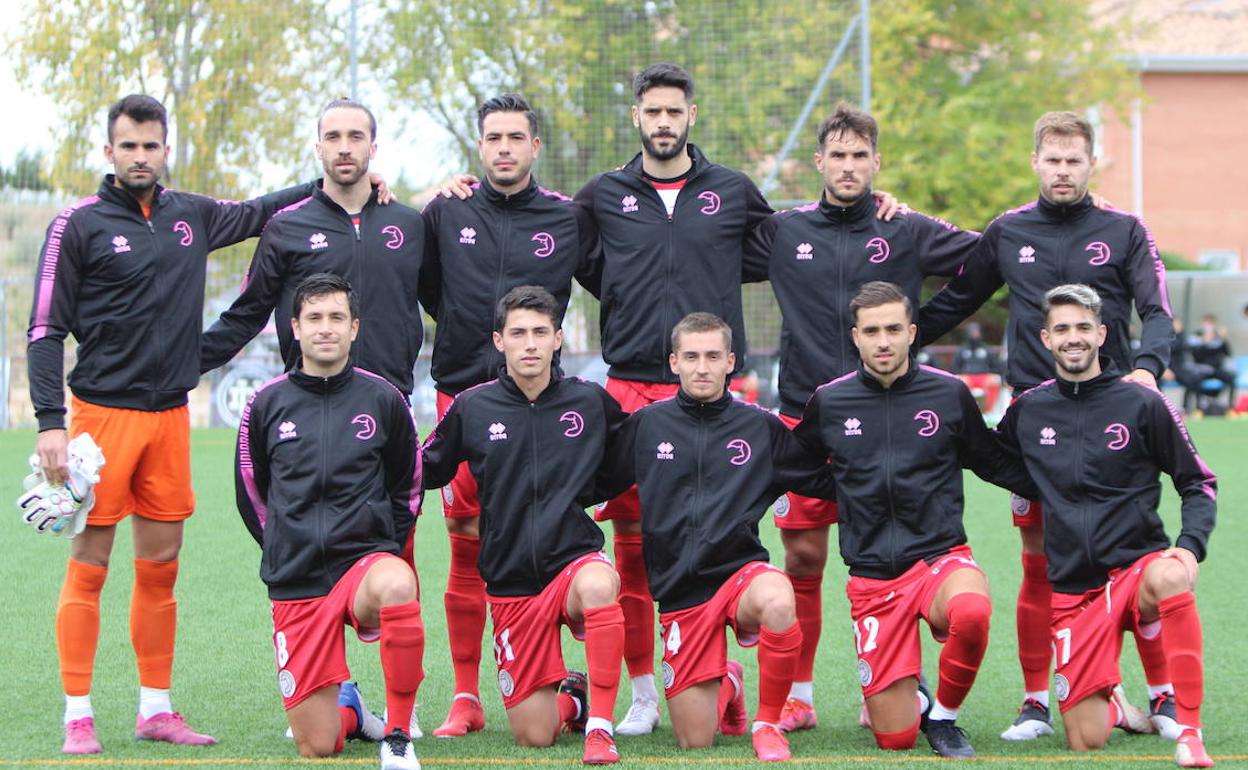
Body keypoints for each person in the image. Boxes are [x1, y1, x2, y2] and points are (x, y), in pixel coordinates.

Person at [27, 94, 320, 755]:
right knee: (90, 567)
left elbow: (258, 212)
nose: (140, 156)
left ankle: (155, 709)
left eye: (150, 145)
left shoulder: (191, 214)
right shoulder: (76, 225)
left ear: (166, 149)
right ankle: (78, 713)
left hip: (169, 420)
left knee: (161, 568)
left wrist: (330, 180)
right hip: (98, 421)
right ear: (108, 152)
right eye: (127, 145)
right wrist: (50, 423)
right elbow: (45, 329)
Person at [918, 111, 1175, 740]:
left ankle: (1164, 695)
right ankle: (1036, 700)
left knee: (1134, 556)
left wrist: (1147, 369)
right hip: (1035, 425)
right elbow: (956, 299)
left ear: (1091, 165)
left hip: (1115, 417)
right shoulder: (1009, 233)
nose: (1063, 171)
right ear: (1036, 163)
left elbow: (1156, 310)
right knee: (1037, 559)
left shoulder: (1124, 229)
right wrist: (892, 347)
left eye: (1074, 161)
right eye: (1053, 160)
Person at [743, 104, 977, 731]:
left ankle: (906, 677)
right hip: (805, 418)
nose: (848, 167)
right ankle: (799, 694)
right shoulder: (782, 231)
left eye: (860, 156)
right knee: (802, 563)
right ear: (818, 162)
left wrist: (924, 330)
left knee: (902, 554)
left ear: (876, 162)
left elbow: (986, 262)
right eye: (837, 156)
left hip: (891, 421)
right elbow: (705, 254)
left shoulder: (904, 227)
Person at [417, 94, 600, 738]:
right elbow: (420, 278)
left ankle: (581, 683)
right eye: (492, 137)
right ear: (480, 144)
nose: (503, 148)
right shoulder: (447, 210)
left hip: (544, 406)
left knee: (552, 531)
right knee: (466, 541)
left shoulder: (567, 218)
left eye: (515, 137)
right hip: (464, 395)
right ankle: (466, 694)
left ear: (534, 147)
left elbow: (618, 279)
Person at [793, 281, 1040, 758]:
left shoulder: (949, 394)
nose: (882, 341)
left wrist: (1062, 487)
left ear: (911, 332)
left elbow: (990, 460)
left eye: (892, 329)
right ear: (856, 337)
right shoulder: (830, 401)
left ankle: (945, 719)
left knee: (972, 611)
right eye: (871, 331)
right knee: (895, 738)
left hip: (938, 558)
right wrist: (849, 491)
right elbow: (793, 466)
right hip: (872, 575)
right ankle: (916, 694)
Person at [599, 312, 838, 762]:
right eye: (691, 356)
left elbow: (821, 481)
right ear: (674, 362)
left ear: (731, 361)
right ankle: (728, 681)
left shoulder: (760, 427)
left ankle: (768, 724)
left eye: (712, 356)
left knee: (779, 597)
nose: (702, 367)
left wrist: (888, 484)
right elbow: (596, 481)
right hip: (679, 592)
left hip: (739, 576)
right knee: (695, 738)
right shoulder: (647, 426)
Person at [996, 284, 1216, 768]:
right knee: (1085, 740)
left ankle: (1190, 730)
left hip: (1137, 570)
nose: (1072, 338)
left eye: (1081, 327)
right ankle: (1113, 701)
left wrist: (1188, 547)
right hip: (1075, 587)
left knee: (1171, 575)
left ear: (1101, 333)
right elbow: (988, 457)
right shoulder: (1029, 409)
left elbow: (1197, 483)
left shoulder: (1143, 403)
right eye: (1061, 329)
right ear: (1045, 339)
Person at [421, 286, 628, 765]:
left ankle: (599, 725)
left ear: (558, 339)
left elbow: (628, 459)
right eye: (518, 333)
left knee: (599, 585)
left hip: (572, 561)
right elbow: (426, 468)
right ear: (499, 341)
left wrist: (584, 493)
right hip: (511, 579)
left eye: (540, 332)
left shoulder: (589, 402)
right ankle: (574, 698)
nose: (530, 343)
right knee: (535, 734)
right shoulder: (473, 408)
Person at [235, 273, 424, 770]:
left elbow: (408, 487)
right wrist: (283, 541)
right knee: (318, 745)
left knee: (398, 583)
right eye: (314, 318)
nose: (326, 328)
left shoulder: (383, 399)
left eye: (336, 317)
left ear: (354, 327)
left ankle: (399, 735)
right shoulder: (266, 403)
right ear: (295, 328)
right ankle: (352, 710)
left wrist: (383, 542)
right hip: (295, 576)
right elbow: (252, 494)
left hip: (361, 565)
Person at [201, 98, 427, 397]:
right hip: (307, 400)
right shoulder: (285, 227)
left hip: (391, 399)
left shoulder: (409, 224)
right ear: (319, 148)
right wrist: (183, 364)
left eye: (355, 136)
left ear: (373, 147)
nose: (344, 147)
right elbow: (246, 315)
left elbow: (446, 305)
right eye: (333, 137)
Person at [1187, 314, 1236, 412]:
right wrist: (1204, 342)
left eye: (1211, 323)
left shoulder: (1218, 338)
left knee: (1231, 378)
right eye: (1207, 323)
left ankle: (1230, 407)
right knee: (1194, 380)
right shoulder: (1197, 336)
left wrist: (1223, 340)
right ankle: (1198, 408)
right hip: (1203, 369)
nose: (1209, 326)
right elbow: (1195, 355)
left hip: (1217, 369)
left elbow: (1228, 354)